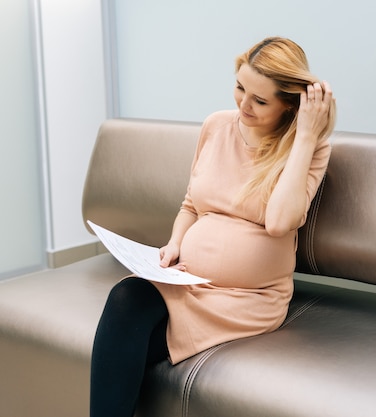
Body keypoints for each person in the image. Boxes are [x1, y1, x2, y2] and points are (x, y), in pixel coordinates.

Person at [89, 36, 336, 417]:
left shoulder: (308, 147)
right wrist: (173, 245)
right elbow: (191, 204)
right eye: (240, 88)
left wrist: (304, 135)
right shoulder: (216, 125)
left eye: (260, 100)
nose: (243, 105)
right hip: (187, 283)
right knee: (126, 299)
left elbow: (280, 222)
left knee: (128, 344)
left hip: (246, 297)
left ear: (290, 104)